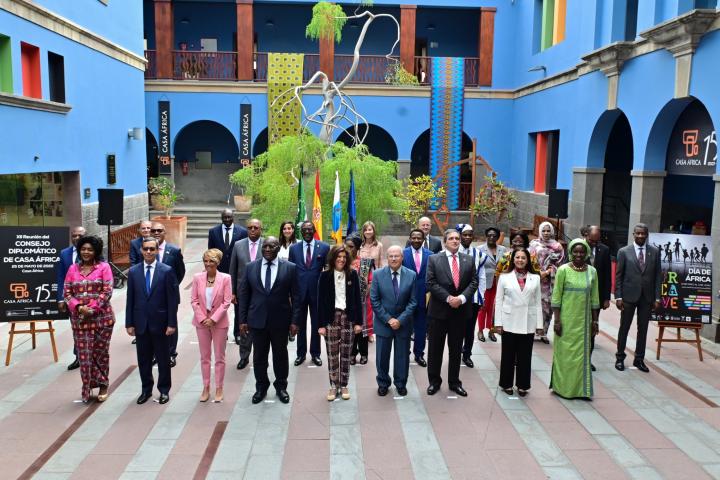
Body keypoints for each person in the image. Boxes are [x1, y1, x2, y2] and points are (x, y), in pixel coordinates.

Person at [237, 236, 300, 404]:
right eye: (265, 246)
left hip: (280, 321)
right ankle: (261, 387)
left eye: (272, 246)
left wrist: (295, 321)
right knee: (259, 357)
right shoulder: (250, 268)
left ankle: (281, 387)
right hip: (257, 321)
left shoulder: (290, 268)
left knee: (280, 356)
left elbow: (296, 296)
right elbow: (244, 295)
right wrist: (242, 320)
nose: (267, 249)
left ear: (278, 248)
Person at [126, 237, 179, 405]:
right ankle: (146, 390)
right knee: (143, 360)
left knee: (163, 360)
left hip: (161, 323)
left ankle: (164, 390)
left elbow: (172, 300)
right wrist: (129, 323)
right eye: (145, 249)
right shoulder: (133, 272)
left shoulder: (167, 271)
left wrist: (172, 323)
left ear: (157, 250)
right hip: (141, 323)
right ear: (141, 250)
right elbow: (130, 299)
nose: (148, 252)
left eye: (152, 249)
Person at [426, 229, 478, 397]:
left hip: (460, 313)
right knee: (435, 349)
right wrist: (449, 299)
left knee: (456, 349)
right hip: (439, 312)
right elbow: (431, 283)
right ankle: (434, 382)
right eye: (451, 239)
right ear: (445, 241)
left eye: (457, 238)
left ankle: (454, 382)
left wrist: (461, 298)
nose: (455, 241)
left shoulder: (469, 260)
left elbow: (474, 281)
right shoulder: (434, 259)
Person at [63, 235, 115, 403]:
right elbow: (67, 293)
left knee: (99, 354)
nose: (86, 252)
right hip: (80, 321)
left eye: (90, 249)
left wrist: (91, 309)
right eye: (83, 249)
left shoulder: (104, 267)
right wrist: (79, 307)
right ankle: (87, 387)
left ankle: (103, 384)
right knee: (85, 356)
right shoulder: (73, 269)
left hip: (102, 320)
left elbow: (107, 291)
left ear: (96, 251)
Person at [550, 239, 600, 399]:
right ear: (571, 253)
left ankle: (580, 390)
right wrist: (557, 321)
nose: (579, 255)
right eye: (575, 252)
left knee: (581, 356)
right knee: (564, 355)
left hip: (583, 323)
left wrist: (595, 321)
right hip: (565, 321)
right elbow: (556, 297)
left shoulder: (592, 272)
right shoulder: (563, 270)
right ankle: (562, 388)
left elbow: (594, 299)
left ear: (586, 253)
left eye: (582, 252)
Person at [494, 248, 543, 397]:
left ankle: (523, 385)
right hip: (509, 321)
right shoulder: (504, 277)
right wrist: (498, 323)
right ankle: (506, 383)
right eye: (517, 257)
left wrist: (539, 325)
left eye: (523, 258)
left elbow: (538, 302)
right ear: (512, 259)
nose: (520, 260)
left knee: (525, 356)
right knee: (508, 355)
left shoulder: (535, 278)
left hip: (528, 321)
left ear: (528, 260)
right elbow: (499, 301)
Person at [317, 245, 363, 401]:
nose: (342, 259)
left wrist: (358, 323)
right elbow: (320, 302)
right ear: (333, 258)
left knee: (345, 354)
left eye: (344, 257)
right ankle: (333, 385)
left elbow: (358, 299)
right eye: (339, 256)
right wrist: (321, 325)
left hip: (348, 318)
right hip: (331, 318)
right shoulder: (324, 276)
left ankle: (343, 385)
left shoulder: (353, 275)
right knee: (332, 354)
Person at [370, 246, 417, 397]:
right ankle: (383, 383)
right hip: (384, 324)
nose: (394, 259)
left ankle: (401, 383)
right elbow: (374, 300)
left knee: (402, 356)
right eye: (391, 256)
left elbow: (413, 302)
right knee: (382, 357)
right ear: (386, 258)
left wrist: (400, 320)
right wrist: (389, 319)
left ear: (402, 258)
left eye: (397, 256)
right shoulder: (377, 275)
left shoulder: (411, 275)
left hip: (403, 325)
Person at [614, 223, 661, 373]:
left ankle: (639, 359)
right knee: (624, 327)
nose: (641, 236)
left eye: (643, 234)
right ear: (633, 234)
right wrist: (618, 296)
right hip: (628, 296)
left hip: (647, 298)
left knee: (643, 329)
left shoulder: (654, 252)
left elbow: (658, 277)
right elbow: (619, 276)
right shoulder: (623, 252)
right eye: (638, 233)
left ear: (647, 235)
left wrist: (657, 298)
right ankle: (620, 358)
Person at [190, 249, 232, 403]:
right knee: (205, 357)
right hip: (201, 323)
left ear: (218, 262)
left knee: (219, 357)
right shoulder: (197, 278)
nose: (208, 264)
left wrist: (213, 319)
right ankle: (206, 386)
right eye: (205, 261)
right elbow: (194, 300)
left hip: (219, 322)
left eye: (211, 261)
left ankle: (219, 387)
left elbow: (227, 301)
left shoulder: (226, 278)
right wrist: (202, 318)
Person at [288, 221, 330, 367]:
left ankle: (316, 354)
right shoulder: (293, 249)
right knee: (299, 324)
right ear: (301, 231)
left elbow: (327, 272)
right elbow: (290, 271)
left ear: (314, 230)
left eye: (309, 230)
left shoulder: (324, 247)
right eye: (304, 230)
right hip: (298, 293)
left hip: (317, 293)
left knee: (316, 324)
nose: (307, 232)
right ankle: (300, 354)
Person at [229, 218, 264, 370]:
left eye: (256, 227)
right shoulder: (238, 245)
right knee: (243, 324)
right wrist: (232, 291)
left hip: (261, 293)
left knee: (261, 324)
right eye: (250, 227)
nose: (252, 230)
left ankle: (260, 356)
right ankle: (244, 356)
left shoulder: (267, 245)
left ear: (260, 229)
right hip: (243, 293)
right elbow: (233, 269)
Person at [151, 222, 185, 367]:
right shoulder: (147, 250)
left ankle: (171, 353)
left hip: (169, 296)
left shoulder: (174, 250)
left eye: (160, 230)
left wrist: (171, 287)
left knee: (171, 324)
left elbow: (180, 272)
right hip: (151, 296)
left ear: (165, 232)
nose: (156, 233)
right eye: (154, 231)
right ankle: (155, 354)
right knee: (153, 325)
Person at [529, 222, 565, 344]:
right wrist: (539, 272)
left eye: (548, 231)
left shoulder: (558, 246)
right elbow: (529, 260)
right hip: (535, 279)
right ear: (539, 231)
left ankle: (543, 333)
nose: (546, 233)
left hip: (550, 282)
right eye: (543, 231)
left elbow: (560, 263)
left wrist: (550, 271)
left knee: (547, 307)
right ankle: (532, 332)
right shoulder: (534, 244)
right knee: (534, 306)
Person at [56, 225, 86, 370]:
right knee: (76, 328)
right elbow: (60, 276)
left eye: (80, 235)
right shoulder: (64, 253)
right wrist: (60, 298)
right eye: (74, 235)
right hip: (71, 299)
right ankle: (78, 356)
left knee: (89, 327)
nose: (76, 238)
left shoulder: (92, 252)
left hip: (89, 299)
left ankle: (90, 355)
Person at [457, 224, 486, 368]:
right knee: (456, 328)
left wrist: (482, 296)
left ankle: (467, 354)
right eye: (465, 234)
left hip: (473, 299)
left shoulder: (478, 254)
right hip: (456, 299)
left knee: (469, 329)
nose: (467, 237)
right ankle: (455, 353)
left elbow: (482, 277)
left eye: (470, 234)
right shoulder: (453, 251)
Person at [583, 226, 612, 371]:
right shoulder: (578, 248)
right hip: (579, 297)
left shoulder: (604, 250)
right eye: (591, 240)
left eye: (597, 241)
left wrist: (606, 298)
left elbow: (607, 275)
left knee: (592, 328)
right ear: (585, 235)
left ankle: (588, 359)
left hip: (596, 298)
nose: (594, 244)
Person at [402, 229, 432, 366]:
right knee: (406, 327)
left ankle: (419, 354)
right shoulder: (403, 254)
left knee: (421, 328)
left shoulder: (431, 255)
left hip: (423, 297)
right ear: (409, 238)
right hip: (406, 297)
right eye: (413, 237)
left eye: (419, 238)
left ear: (423, 239)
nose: (416, 240)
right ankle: (405, 353)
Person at [345, 234, 372, 365]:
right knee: (349, 328)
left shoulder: (365, 263)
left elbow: (371, 281)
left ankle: (364, 353)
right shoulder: (341, 262)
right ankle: (351, 354)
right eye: (346, 246)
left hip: (362, 301)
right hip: (345, 302)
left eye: (351, 247)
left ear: (357, 248)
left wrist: (363, 293)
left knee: (361, 329)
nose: (348, 249)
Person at [477, 227, 508, 343]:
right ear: (486, 236)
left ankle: (491, 330)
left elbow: (506, 265)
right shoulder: (480, 249)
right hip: (485, 282)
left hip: (499, 282)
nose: (491, 237)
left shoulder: (503, 249)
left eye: (494, 235)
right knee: (483, 306)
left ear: (498, 237)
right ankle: (480, 330)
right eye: (489, 235)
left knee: (494, 307)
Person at [207, 209, 247, 274]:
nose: (227, 219)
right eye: (225, 217)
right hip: (219, 269)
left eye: (229, 217)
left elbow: (244, 251)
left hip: (236, 268)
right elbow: (211, 251)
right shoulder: (213, 232)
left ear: (233, 217)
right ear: (221, 218)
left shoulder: (242, 232)